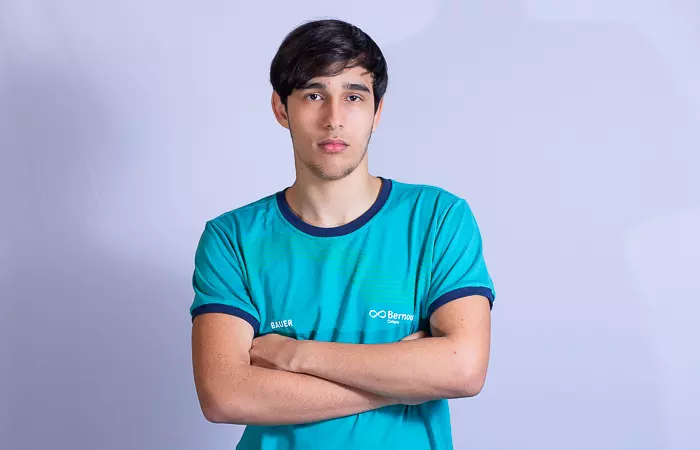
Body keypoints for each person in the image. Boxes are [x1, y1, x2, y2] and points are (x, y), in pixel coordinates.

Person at [190, 18, 496, 450]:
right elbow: (225, 396)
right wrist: (405, 380)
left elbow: (463, 369)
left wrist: (294, 355)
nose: (333, 119)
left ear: (377, 111)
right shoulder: (232, 238)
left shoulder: (437, 218)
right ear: (281, 108)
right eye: (314, 95)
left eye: (353, 96)